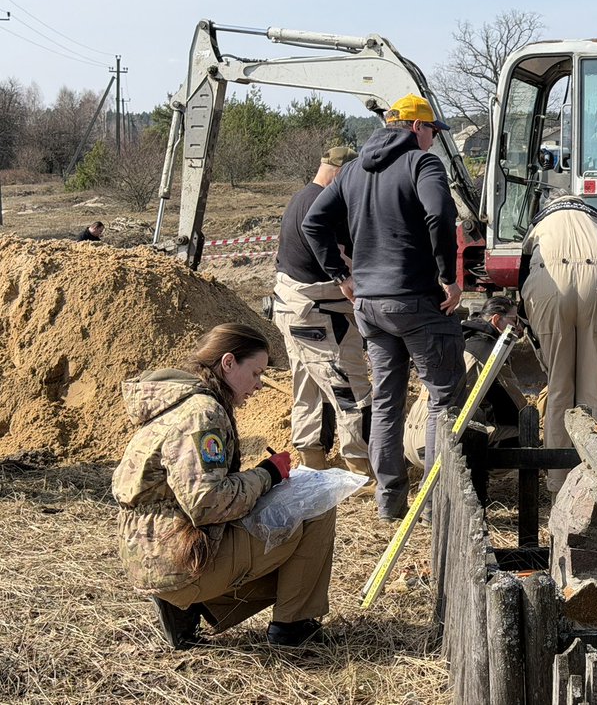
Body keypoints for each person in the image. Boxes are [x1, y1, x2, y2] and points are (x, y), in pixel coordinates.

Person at [111, 323, 335, 650]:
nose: (259, 385)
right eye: (256, 373)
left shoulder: (179, 404)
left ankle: (188, 608)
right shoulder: (203, 413)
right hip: (179, 559)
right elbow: (208, 503)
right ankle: (292, 628)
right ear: (228, 363)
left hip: (151, 553)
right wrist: (267, 475)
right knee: (317, 509)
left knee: (282, 529)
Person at [302, 93, 465, 523]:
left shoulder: (353, 170)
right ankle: (433, 508)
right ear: (416, 128)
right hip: (414, 301)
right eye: (431, 131)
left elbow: (312, 222)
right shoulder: (422, 164)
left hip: (370, 306)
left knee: (388, 401)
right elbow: (440, 215)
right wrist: (449, 276)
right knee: (442, 398)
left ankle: (390, 502)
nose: (433, 140)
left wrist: (342, 276)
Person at [272, 146, 372, 481]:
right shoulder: (325, 205)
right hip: (319, 314)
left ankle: (312, 461)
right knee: (350, 388)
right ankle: (361, 469)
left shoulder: (302, 197)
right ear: (341, 171)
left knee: (308, 386)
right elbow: (345, 261)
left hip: (291, 306)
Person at [519, 194, 597, 496]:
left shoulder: (540, 223)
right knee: (596, 390)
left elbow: (521, 279)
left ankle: (558, 485)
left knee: (559, 389)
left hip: (548, 284)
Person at [404, 295, 527, 503]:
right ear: (496, 320)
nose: (518, 327)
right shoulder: (489, 350)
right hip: (439, 448)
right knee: (520, 434)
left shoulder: (457, 338)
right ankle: (477, 488)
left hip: (412, 440)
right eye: (514, 320)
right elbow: (519, 407)